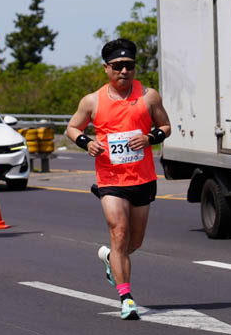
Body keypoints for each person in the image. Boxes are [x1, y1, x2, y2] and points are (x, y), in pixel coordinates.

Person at [65, 38, 171, 320]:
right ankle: (126, 298)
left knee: (133, 243)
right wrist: (87, 142)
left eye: (129, 66)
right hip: (110, 177)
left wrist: (150, 138)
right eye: (118, 66)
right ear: (106, 68)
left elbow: (165, 126)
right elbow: (72, 128)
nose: (124, 71)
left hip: (142, 178)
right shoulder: (92, 100)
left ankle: (111, 260)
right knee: (119, 233)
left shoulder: (149, 96)